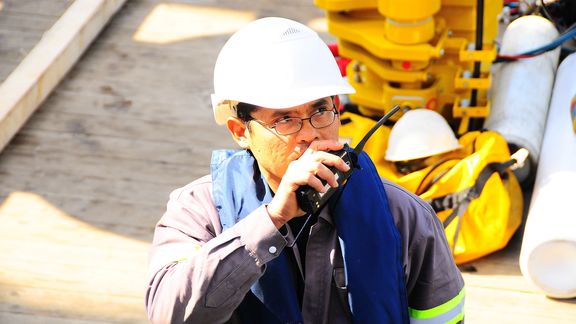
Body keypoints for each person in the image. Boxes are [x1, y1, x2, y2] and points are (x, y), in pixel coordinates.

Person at [145, 17, 465, 324]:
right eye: (285, 119)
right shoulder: (198, 211)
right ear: (240, 131)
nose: (310, 133)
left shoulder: (407, 217)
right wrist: (270, 221)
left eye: (321, 111)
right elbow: (167, 314)